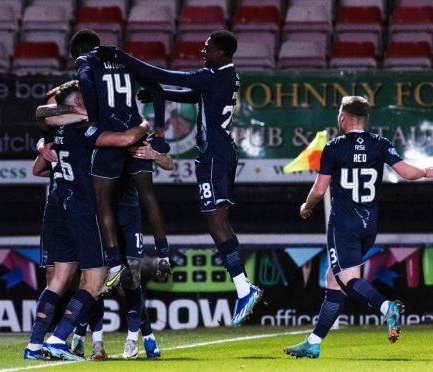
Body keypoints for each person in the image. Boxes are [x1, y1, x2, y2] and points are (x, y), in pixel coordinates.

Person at [95, 30, 262, 326]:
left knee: (215, 221)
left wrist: (123, 58)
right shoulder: (226, 77)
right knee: (218, 219)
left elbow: (168, 76)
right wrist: (157, 91)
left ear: (221, 53)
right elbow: (187, 93)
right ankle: (243, 286)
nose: (203, 50)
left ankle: (243, 288)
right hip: (223, 153)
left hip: (213, 156)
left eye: (208, 47)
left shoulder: (213, 76)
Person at [283, 96, 433, 358]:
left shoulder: (334, 147)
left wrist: (305, 206)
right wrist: (425, 171)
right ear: (365, 118)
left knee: (347, 279)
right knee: (335, 280)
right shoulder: (380, 144)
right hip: (369, 226)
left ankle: (386, 307)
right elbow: (406, 173)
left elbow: (320, 189)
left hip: (343, 225)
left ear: (343, 116)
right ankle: (314, 341)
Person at [24, 80, 149, 361]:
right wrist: (143, 123)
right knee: (96, 279)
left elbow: (43, 124)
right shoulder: (86, 131)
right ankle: (58, 340)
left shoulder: (60, 132)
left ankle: (33, 345)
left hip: (65, 211)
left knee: (58, 279)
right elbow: (127, 139)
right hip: (86, 212)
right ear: (79, 103)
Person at [69, 30, 172, 292]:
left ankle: (114, 264)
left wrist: (93, 119)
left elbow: (86, 83)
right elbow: (157, 88)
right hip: (136, 128)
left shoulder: (86, 62)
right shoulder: (125, 60)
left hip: (110, 132)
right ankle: (163, 253)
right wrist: (159, 128)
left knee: (102, 199)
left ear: (78, 52)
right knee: (148, 195)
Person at [71, 138, 172, 360]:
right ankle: (96, 342)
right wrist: (43, 143)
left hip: (129, 217)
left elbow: (169, 163)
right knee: (95, 280)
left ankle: (133, 340)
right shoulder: (98, 140)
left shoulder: (138, 144)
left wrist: (154, 154)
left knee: (131, 280)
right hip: (101, 218)